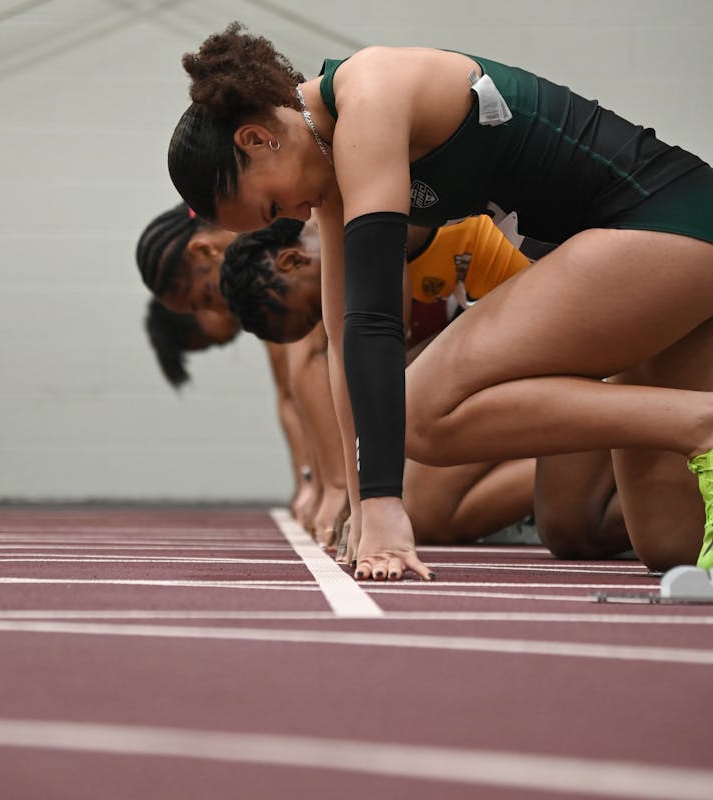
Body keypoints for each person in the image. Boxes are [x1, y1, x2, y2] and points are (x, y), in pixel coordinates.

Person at [167, 24, 713, 581]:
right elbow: (342, 337)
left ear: (256, 139)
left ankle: (701, 423)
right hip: (644, 267)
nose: (296, 217)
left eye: (272, 206)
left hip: (668, 224)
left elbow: (375, 317)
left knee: (421, 410)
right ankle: (694, 423)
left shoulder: (369, 94)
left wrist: (385, 502)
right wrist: (360, 506)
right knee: (670, 544)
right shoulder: (328, 166)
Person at [220, 214, 631, 560]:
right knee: (555, 528)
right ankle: (606, 476)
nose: (326, 317)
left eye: (314, 309)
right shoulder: (355, 252)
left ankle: (630, 455)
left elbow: (372, 376)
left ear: (292, 260)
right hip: (542, 333)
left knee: (412, 420)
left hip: (581, 317)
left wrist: (351, 494)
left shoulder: (362, 228)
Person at [136, 202, 344, 539]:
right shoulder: (258, 278)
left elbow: (308, 360)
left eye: (207, 297)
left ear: (204, 251)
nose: (220, 308)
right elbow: (289, 392)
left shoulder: (270, 256)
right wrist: (311, 482)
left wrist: (334, 486)